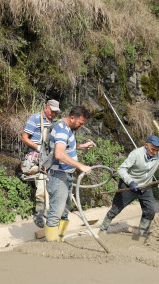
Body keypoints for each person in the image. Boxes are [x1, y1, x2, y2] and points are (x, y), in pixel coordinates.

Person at [99, 135, 159, 236]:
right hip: (129, 186)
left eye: (157, 150)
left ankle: (143, 231)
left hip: (145, 186)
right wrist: (130, 182)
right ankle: (103, 228)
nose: (155, 152)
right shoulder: (136, 154)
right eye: (152, 149)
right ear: (146, 145)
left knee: (150, 210)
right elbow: (121, 169)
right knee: (116, 209)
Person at [44, 105, 95, 242]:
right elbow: (59, 153)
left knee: (65, 211)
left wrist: (81, 146)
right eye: (80, 123)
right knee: (56, 212)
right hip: (58, 176)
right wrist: (81, 166)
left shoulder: (68, 128)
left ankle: (59, 239)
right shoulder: (61, 129)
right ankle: (51, 245)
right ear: (72, 118)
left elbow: (65, 144)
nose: (81, 126)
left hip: (66, 175)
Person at [21, 99, 60, 228]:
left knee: (53, 186)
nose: (54, 114)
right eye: (53, 111)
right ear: (47, 107)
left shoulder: (53, 123)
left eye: (56, 112)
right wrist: (37, 148)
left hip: (50, 158)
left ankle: (50, 212)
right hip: (37, 157)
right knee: (42, 188)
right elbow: (24, 137)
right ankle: (38, 215)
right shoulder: (35, 118)